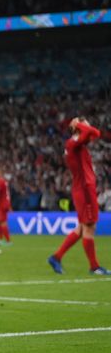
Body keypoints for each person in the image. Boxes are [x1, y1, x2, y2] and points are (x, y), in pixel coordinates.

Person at [49, 117, 109, 275]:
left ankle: (56, 257)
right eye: (83, 122)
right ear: (77, 127)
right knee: (89, 228)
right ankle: (94, 267)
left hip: (83, 189)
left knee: (83, 227)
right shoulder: (73, 142)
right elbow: (91, 130)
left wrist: (79, 125)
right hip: (84, 190)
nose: (87, 123)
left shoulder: (78, 142)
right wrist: (78, 124)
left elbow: (96, 132)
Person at [0, 165, 12, 248]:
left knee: (2, 222)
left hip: (2, 204)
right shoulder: (2, 181)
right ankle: (1, 240)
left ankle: (8, 241)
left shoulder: (0, 181)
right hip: (3, 203)